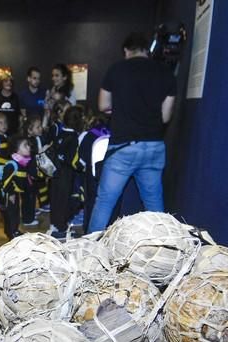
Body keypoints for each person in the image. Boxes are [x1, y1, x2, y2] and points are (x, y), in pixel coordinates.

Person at [88, 32, 176, 233]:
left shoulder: (117, 70)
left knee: (105, 202)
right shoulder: (166, 72)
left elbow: (103, 105)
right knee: (154, 206)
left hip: (124, 147)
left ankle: (89, 251)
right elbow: (165, 117)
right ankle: (163, 248)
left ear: (126, 50)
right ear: (147, 49)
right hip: (154, 146)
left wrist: (121, 109)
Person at [48, 106, 85, 239]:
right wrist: (82, 167)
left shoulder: (60, 133)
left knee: (55, 198)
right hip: (66, 173)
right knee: (64, 200)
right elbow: (74, 160)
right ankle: (61, 228)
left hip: (54, 171)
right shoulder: (74, 137)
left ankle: (53, 224)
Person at [1, 135, 38, 239]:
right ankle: (11, 233)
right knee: (11, 214)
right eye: (25, 146)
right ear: (17, 150)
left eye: (29, 145)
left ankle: (15, 230)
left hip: (15, 193)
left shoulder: (22, 163)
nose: (29, 147)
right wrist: (11, 193)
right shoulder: (12, 164)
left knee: (16, 213)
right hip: (9, 194)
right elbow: (6, 181)